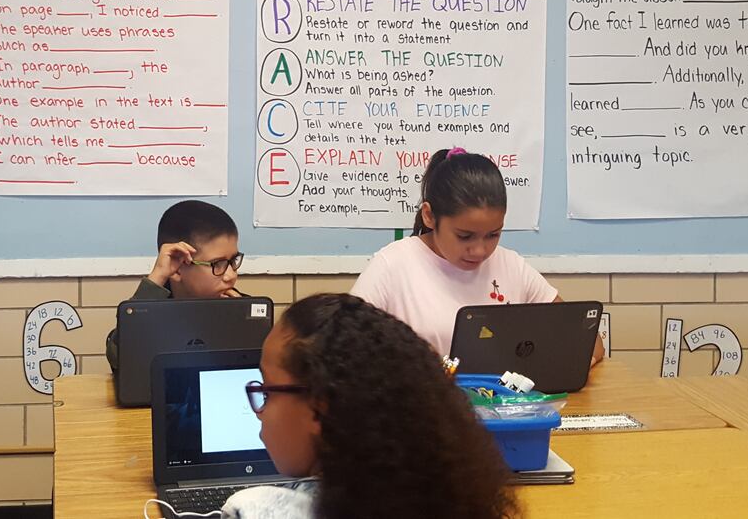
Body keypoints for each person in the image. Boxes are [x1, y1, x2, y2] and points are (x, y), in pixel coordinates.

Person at [222, 293, 517, 519]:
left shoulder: (254, 509)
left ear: (319, 408)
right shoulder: (450, 497)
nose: (259, 410)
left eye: (267, 390)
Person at [352, 148, 605, 363]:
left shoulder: (511, 266)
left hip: (504, 413)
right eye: (464, 236)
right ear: (429, 216)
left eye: (493, 235)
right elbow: (341, 355)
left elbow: (590, 345)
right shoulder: (392, 265)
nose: (480, 251)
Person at [105, 200, 243, 372]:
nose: (231, 276)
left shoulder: (240, 306)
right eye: (217, 263)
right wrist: (156, 278)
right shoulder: (149, 311)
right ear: (178, 267)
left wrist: (243, 321)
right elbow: (120, 359)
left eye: (233, 261)